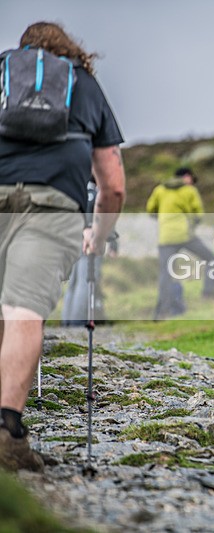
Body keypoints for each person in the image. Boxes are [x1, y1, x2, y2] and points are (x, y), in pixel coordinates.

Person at [0, 22, 125, 471]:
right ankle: (6, 431)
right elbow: (112, 184)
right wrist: (100, 234)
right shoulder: (83, 83)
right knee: (22, 310)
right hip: (52, 204)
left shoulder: (2, 72)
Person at [146, 167, 214, 319]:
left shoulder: (160, 190)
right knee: (211, 258)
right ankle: (208, 294)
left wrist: (164, 219)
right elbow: (199, 214)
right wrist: (191, 223)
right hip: (185, 235)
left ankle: (162, 311)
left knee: (166, 273)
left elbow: (150, 210)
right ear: (187, 177)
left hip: (165, 237)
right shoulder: (189, 190)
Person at [61, 178, 119, 327]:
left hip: (71, 241)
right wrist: (112, 242)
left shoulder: (76, 190)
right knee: (87, 280)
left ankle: (67, 319)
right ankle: (78, 321)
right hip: (90, 241)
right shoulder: (96, 193)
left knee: (74, 281)